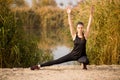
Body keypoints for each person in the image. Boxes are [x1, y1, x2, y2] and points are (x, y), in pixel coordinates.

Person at [30, 6, 94, 70]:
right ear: (77, 29)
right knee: (57, 61)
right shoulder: (74, 35)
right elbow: (70, 25)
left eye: (81, 28)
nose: (80, 29)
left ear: (83, 28)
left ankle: (83, 64)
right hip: (73, 54)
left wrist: (91, 14)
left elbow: (89, 25)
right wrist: (69, 14)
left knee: (86, 61)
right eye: (78, 28)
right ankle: (39, 66)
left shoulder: (85, 36)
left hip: (82, 56)